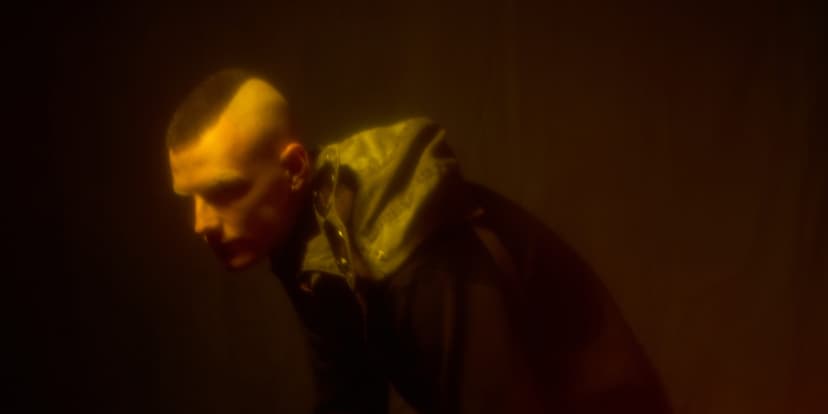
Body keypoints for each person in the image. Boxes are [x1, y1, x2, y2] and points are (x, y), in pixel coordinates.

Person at [165, 68, 672, 413]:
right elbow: (349, 399)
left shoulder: (410, 256)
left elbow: (498, 405)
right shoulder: (312, 246)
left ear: (295, 168)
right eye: (191, 197)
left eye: (223, 192)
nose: (200, 223)